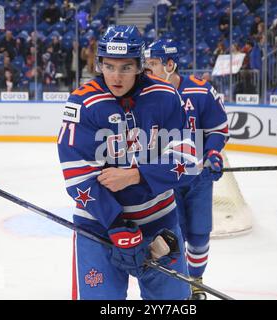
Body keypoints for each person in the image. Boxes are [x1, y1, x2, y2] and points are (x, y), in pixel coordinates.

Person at [57, 25, 199, 300]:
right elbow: (76, 173)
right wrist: (116, 223)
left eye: (125, 67)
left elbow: (188, 160)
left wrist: (136, 175)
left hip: (159, 223)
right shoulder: (82, 102)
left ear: (139, 65)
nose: (116, 76)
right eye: (109, 66)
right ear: (99, 64)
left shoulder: (165, 96)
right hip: (98, 226)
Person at [145, 39, 230, 300]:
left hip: (198, 178)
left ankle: (195, 283)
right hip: (165, 180)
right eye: (145, 66)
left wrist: (214, 153)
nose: (147, 71)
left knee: (199, 234)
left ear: (170, 65)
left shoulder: (201, 91)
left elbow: (219, 128)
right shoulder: (146, 96)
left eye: (153, 65)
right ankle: (176, 286)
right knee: (171, 236)